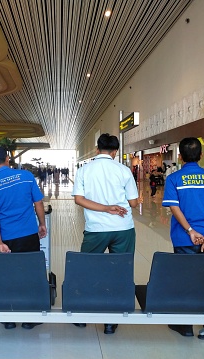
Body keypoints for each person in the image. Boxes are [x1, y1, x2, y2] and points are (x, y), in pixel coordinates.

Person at [72, 133, 139, 335]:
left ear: (96, 149)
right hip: (123, 228)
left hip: (96, 229)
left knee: (88, 268)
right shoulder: (124, 170)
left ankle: (83, 315)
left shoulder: (84, 170)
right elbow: (133, 203)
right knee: (119, 270)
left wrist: (104, 208)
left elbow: (78, 199)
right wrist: (117, 205)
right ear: (115, 151)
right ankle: (111, 321)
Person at [162, 137, 204, 338]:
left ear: (180, 157)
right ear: (201, 155)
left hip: (184, 239)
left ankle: (186, 326)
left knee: (185, 279)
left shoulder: (174, 179)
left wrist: (190, 231)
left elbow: (175, 207)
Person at [0, 146, 47, 330]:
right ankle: (30, 317)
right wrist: (42, 224)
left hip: (7, 238)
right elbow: (38, 202)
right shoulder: (26, 176)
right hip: (28, 234)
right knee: (30, 273)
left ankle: (8, 317)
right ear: (8, 159)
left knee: (6, 276)